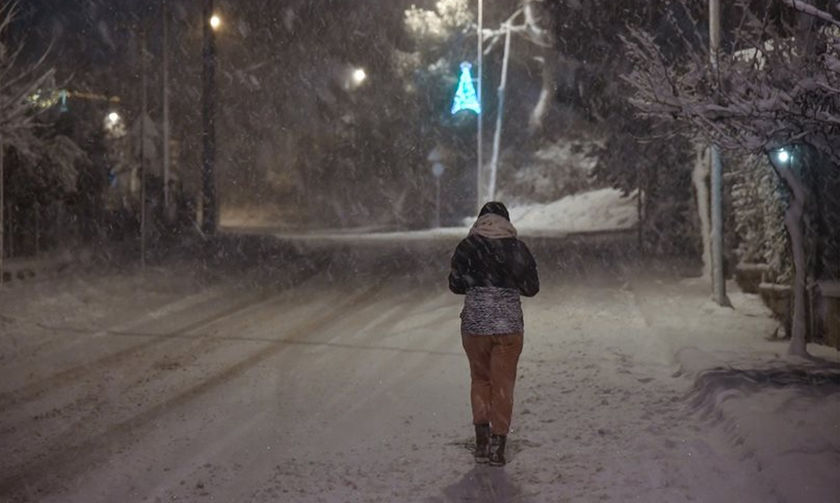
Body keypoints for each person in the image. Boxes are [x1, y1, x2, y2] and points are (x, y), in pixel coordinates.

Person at [448, 201, 539, 466]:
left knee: (480, 380)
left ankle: (481, 442)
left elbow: (455, 285)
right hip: (508, 326)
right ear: (506, 222)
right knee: (503, 385)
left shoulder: (467, 246)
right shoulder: (517, 248)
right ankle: (499, 447)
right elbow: (532, 288)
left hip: (475, 324)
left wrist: (477, 282)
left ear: (481, 220)